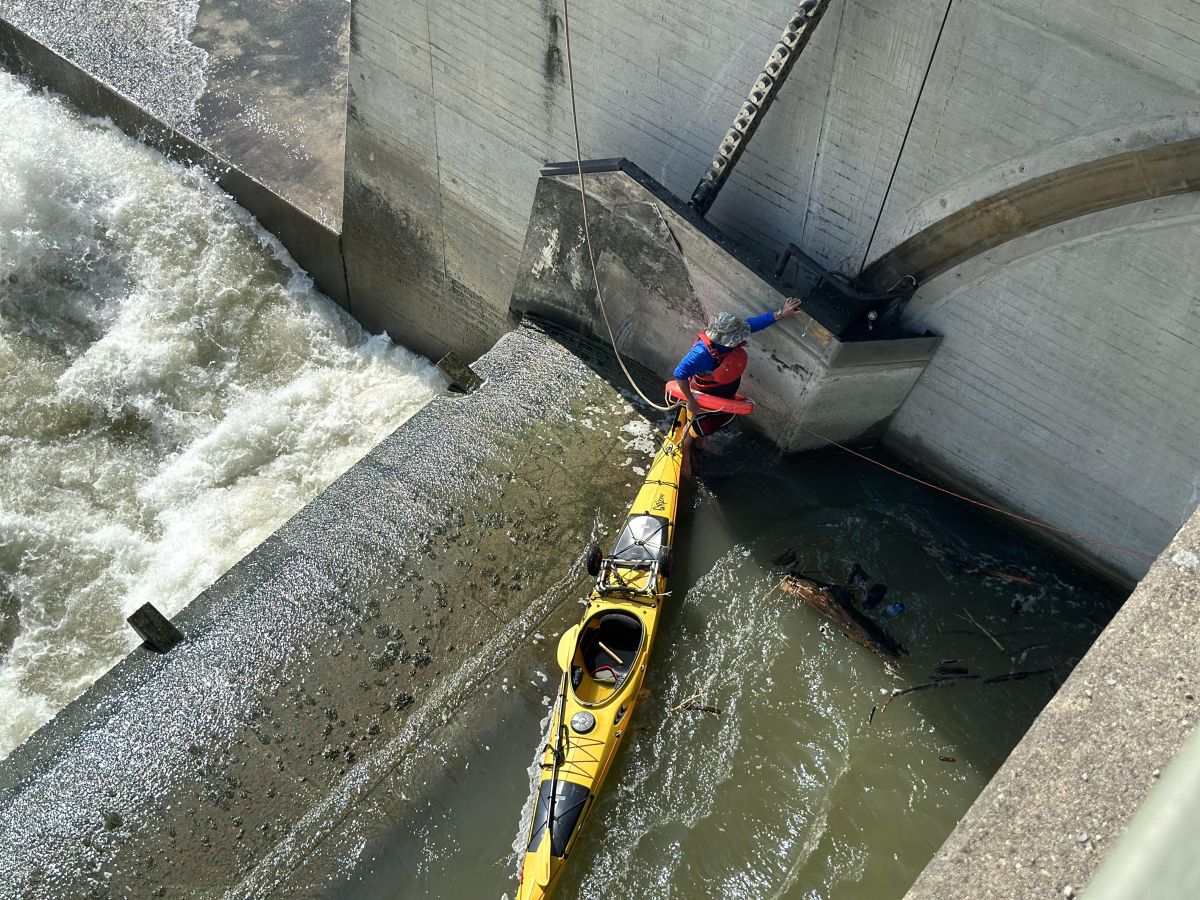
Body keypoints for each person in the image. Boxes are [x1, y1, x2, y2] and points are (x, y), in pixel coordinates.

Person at [672, 297, 802, 438]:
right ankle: (691, 440)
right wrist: (691, 401)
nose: (741, 338)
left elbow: (756, 323)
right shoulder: (700, 353)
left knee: (718, 419)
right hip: (709, 392)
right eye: (737, 337)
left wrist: (782, 313)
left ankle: (701, 436)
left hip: (727, 389)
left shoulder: (732, 330)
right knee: (703, 425)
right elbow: (680, 374)